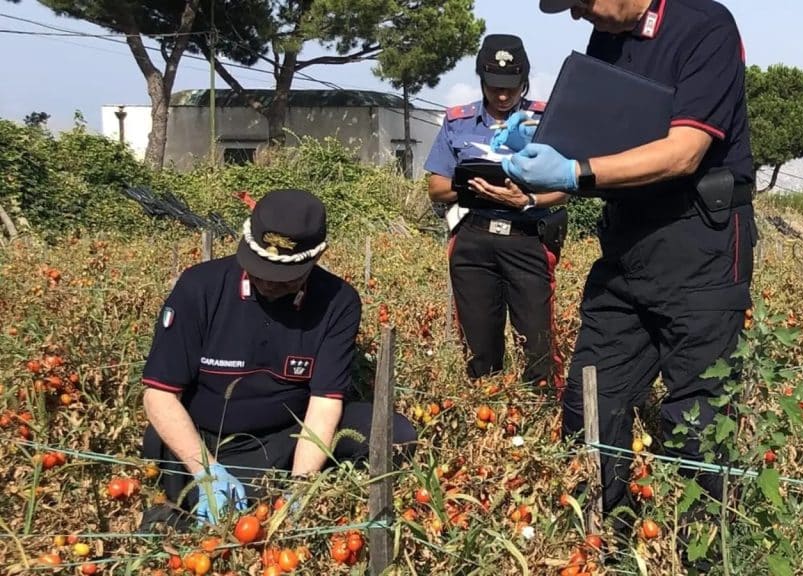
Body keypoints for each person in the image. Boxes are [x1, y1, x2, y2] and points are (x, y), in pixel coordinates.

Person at [499, 0, 756, 541]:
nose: (576, 16)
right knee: (591, 399)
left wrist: (573, 171)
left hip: (700, 244)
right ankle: (604, 540)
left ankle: (704, 552)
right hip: (627, 246)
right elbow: (601, 149)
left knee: (698, 420)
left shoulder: (703, 26)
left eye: (581, 1)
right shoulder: (607, 39)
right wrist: (546, 159)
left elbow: (684, 152)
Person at [138, 189, 417, 529]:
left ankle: (303, 491)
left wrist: (302, 488)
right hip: (210, 438)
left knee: (393, 433)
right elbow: (160, 395)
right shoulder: (200, 287)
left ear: (317, 257)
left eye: (284, 278)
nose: (269, 283)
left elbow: (325, 403)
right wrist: (206, 471)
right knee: (227, 516)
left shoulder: (338, 302)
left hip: (291, 434)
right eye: (259, 270)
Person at [424, 34, 570, 390]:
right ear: (481, 79)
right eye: (494, 87)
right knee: (479, 348)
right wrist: (478, 187)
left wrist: (526, 200)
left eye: (511, 86)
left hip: (527, 240)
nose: (503, 95)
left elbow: (566, 187)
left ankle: (540, 412)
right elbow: (436, 186)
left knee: (537, 344)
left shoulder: (546, 120)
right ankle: (487, 411)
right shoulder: (458, 122)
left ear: (525, 80)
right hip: (473, 240)